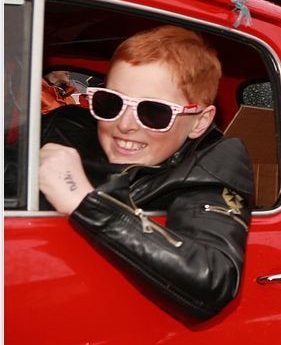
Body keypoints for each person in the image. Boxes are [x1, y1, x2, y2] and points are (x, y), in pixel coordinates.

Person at [36, 25, 253, 321]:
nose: (124, 125)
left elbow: (213, 278)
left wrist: (85, 202)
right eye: (110, 103)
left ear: (199, 122)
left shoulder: (213, 162)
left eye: (154, 112)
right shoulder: (66, 128)